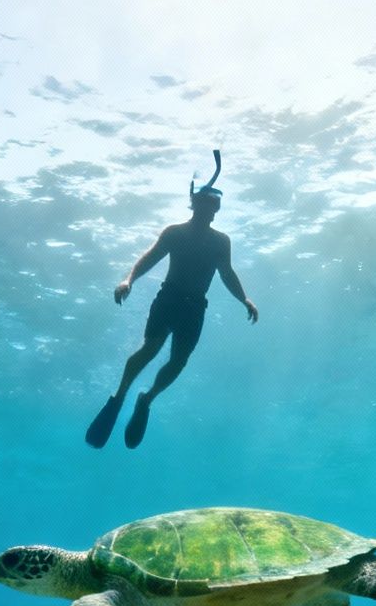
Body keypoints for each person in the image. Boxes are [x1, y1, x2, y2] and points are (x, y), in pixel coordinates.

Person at [86, 152, 259, 449]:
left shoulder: (221, 241)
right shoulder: (175, 233)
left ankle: (146, 399)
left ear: (216, 210)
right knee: (151, 348)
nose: (210, 211)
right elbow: (150, 257)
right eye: (206, 205)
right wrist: (129, 280)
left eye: (214, 206)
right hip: (170, 297)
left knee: (179, 360)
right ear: (194, 205)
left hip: (195, 307)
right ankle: (121, 395)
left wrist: (244, 298)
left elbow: (226, 273)